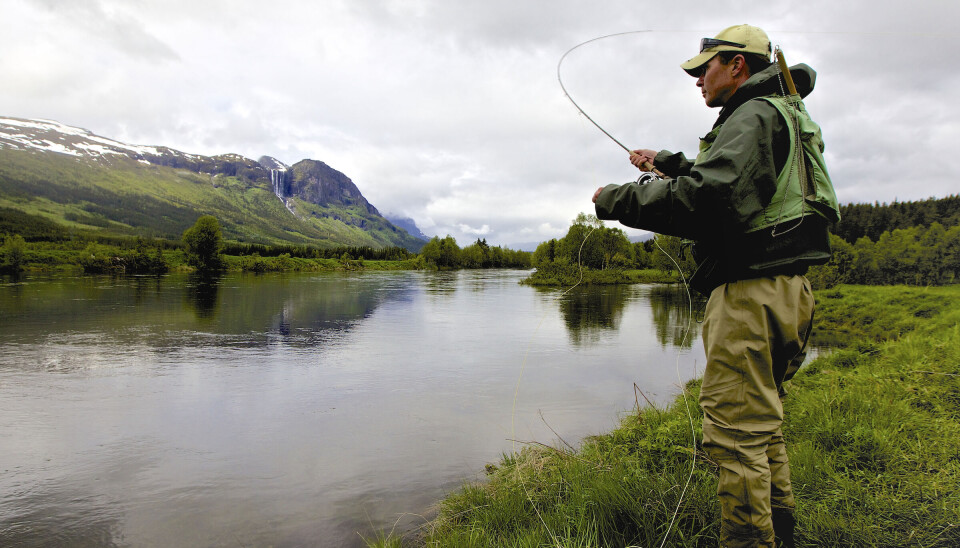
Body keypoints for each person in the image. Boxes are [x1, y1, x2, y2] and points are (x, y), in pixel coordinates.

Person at [591, 24, 840, 548]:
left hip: (750, 295)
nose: (698, 79)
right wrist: (665, 163)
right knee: (761, 423)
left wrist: (615, 199)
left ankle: (751, 540)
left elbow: (711, 200)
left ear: (737, 66)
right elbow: (733, 181)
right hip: (787, 290)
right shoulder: (778, 111)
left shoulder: (752, 115)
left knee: (734, 434)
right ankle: (780, 533)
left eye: (704, 68)